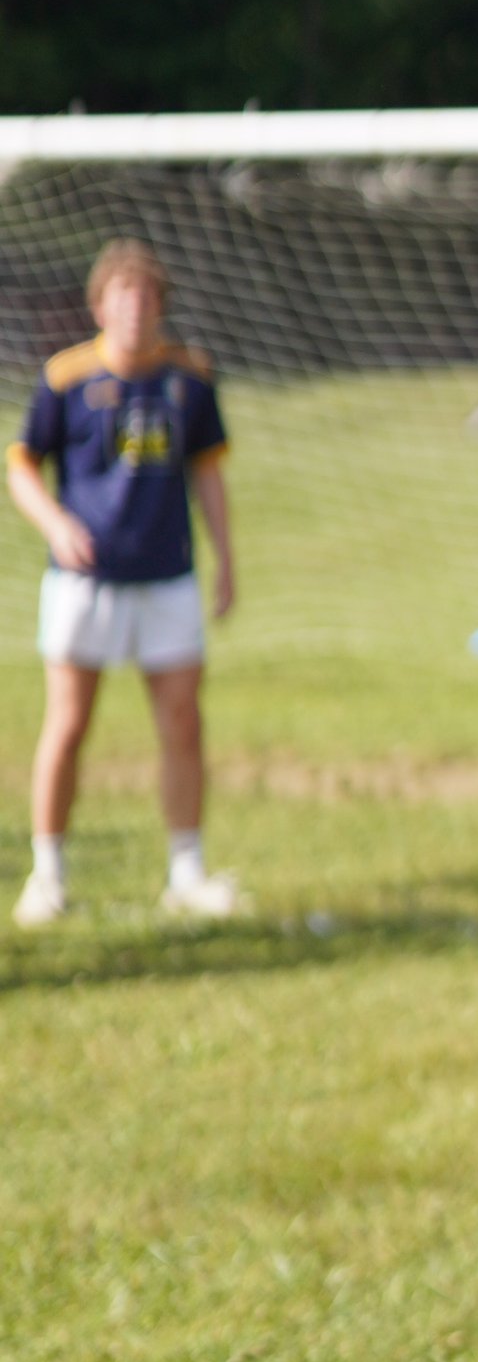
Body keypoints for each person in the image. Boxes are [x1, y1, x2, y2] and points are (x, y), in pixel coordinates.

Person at [8, 238, 241, 928]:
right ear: (100, 305)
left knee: (181, 722)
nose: (134, 310)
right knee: (69, 724)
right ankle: (47, 875)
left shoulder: (191, 379)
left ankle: (187, 871)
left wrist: (227, 558)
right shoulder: (66, 379)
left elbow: (208, 471)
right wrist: (55, 524)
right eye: (122, 297)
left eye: (146, 298)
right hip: (86, 583)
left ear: (160, 307)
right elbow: (21, 464)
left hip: (167, 576)